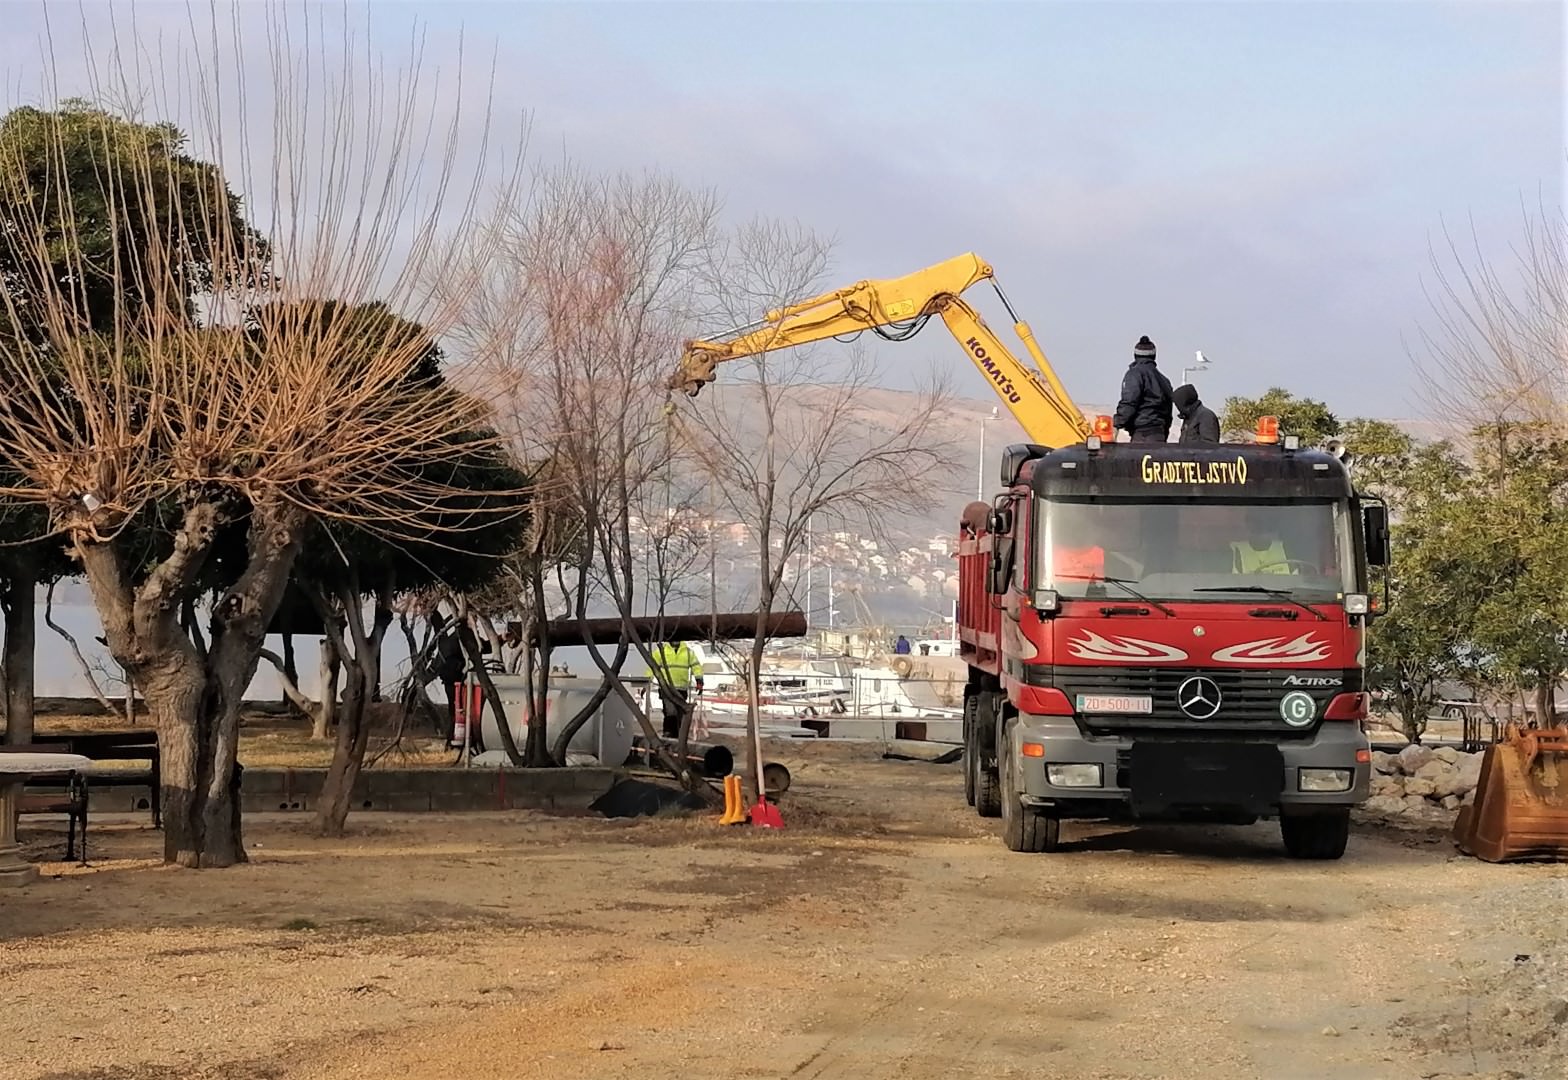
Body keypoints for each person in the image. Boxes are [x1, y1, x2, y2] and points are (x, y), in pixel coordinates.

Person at [1113, 335, 1173, 443]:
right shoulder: (1164, 380)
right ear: (1154, 356)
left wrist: (1117, 423)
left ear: (1135, 355)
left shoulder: (1134, 375)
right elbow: (1168, 413)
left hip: (1142, 435)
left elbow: (1129, 402)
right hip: (1159, 435)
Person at [649, 640, 704, 738]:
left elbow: (696, 666)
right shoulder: (661, 651)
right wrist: (646, 680)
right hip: (666, 688)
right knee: (670, 711)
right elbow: (651, 667)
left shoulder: (687, 652)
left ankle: (677, 735)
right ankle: (668, 733)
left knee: (680, 713)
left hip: (681, 688)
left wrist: (699, 680)